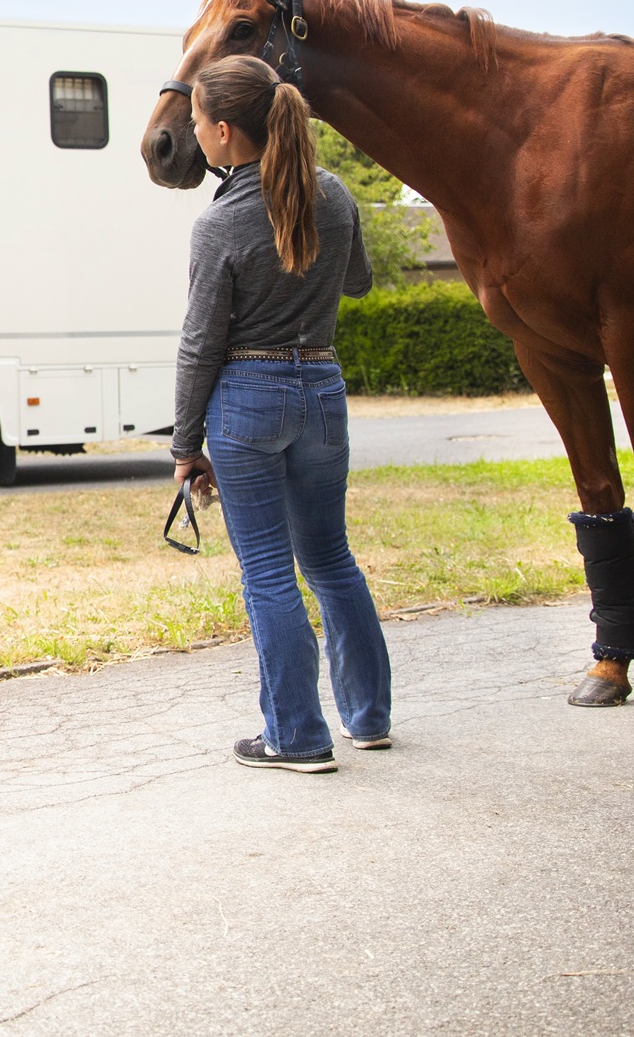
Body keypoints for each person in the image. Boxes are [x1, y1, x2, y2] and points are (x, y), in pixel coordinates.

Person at [172, 54, 392, 774]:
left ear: (226, 130)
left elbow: (201, 344)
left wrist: (184, 443)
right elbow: (356, 281)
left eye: (199, 122)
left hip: (248, 397)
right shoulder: (331, 195)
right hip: (321, 387)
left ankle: (295, 736)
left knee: (268, 569)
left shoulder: (220, 223)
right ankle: (369, 718)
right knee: (331, 558)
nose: (196, 134)